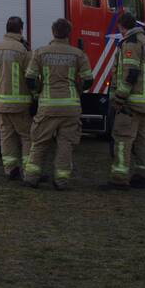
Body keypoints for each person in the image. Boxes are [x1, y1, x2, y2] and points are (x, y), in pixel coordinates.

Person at [22, 18, 94, 190]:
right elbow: (88, 80)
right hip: (71, 107)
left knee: (39, 142)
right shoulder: (78, 54)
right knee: (66, 144)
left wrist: (38, 92)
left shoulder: (41, 53)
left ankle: (31, 178)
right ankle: (61, 181)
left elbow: (30, 78)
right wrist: (77, 90)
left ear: (53, 32)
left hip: (48, 106)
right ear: (68, 33)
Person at [101, 12, 145, 191]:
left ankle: (119, 178)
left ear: (121, 26)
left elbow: (130, 74)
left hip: (130, 103)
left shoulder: (131, 43)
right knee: (142, 140)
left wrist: (119, 98)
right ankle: (142, 176)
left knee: (122, 139)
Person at [0, 16, 33, 180]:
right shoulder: (23, 50)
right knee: (27, 137)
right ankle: (28, 171)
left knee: (6, 137)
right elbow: (31, 77)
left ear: (6, 29)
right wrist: (35, 97)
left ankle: (11, 170)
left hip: (0, 104)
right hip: (20, 105)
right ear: (21, 30)